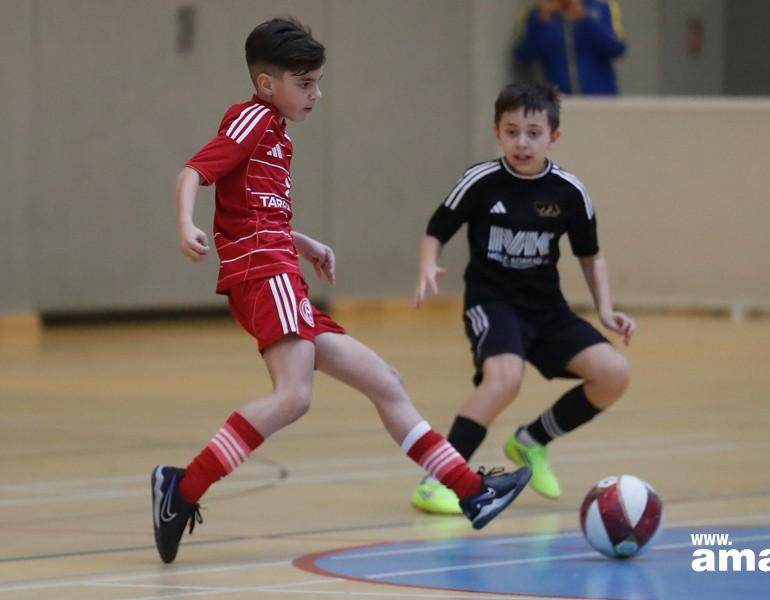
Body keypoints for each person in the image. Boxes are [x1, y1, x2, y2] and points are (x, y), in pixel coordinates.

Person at [152, 17, 531, 564]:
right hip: (264, 274)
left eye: (318, 82)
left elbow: (251, 211)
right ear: (267, 84)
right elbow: (192, 172)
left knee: (385, 381)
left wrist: (301, 241)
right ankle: (181, 489)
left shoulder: (275, 134)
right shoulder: (252, 118)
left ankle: (471, 492)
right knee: (294, 396)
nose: (316, 94)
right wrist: (185, 223)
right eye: (305, 84)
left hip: (280, 268)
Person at [410, 81, 634, 515]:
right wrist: (427, 263)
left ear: (554, 136)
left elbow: (590, 256)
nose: (522, 143)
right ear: (497, 133)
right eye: (512, 132)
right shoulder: (480, 181)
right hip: (492, 303)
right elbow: (437, 229)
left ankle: (531, 441)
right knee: (504, 379)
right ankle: (438, 479)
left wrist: (606, 310)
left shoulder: (569, 192)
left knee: (613, 373)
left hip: (547, 309)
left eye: (533, 133)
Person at [514, 0, 626, 95]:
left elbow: (617, 48)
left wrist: (585, 19)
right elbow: (522, 55)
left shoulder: (603, 6)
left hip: (602, 98)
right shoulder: (534, 12)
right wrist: (539, 21)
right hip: (557, 100)